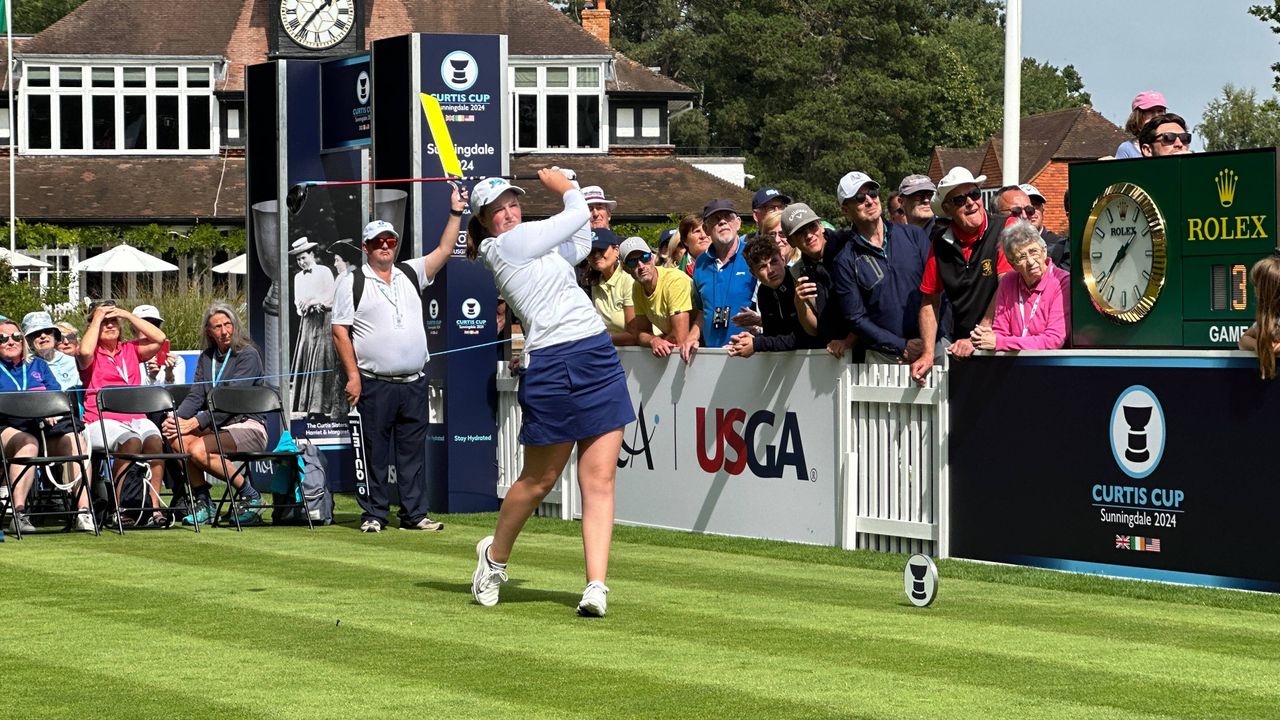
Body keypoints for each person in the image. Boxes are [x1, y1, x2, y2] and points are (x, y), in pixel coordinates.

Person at [464, 168, 634, 617]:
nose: (509, 213)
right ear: (483, 224)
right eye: (497, 211)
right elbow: (576, 213)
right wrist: (567, 186)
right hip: (553, 364)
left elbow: (578, 241)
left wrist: (573, 190)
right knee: (539, 482)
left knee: (598, 479)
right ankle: (495, 556)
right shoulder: (504, 247)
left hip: (596, 354)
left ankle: (596, 585)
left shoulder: (535, 244)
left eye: (513, 204)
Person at [332, 211, 458, 534]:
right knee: (374, 452)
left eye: (390, 241)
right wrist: (353, 376)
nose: (385, 246)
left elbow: (444, 250)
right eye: (378, 242)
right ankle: (374, 514)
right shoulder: (352, 282)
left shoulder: (410, 272)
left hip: (414, 381)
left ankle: (414, 515)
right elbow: (339, 331)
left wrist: (456, 212)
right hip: (375, 383)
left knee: (413, 453)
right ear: (366, 247)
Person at [162, 303, 268, 526]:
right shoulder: (207, 357)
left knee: (197, 448)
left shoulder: (247, 354)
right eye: (218, 326)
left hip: (248, 425)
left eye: (228, 324)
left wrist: (195, 422)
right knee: (176, 438)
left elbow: (231, 401)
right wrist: (176, 421)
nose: (224, 331)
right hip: (218, 426)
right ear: (209, 331)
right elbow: (195, 396)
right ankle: (204, 502)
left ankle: (251, 496)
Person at [909, 167, 1014, 386]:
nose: (970, 203)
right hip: (963, 349)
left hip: (1004, 347)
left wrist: (977, 336)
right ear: (947, 208)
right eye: (959, 199)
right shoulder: (939, 243)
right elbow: (930, 300)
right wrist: (928, 353)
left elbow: (1007, 285)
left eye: (975, 194)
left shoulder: (1006, 227)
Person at [78, 300, 170, 528]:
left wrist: (126, 314)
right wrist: (97, 317)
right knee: (130, 441)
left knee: (154, 441)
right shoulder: (90, 355)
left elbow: (160, 338)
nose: (110, 325)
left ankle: (153, 508)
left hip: (135, 417)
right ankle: (121, 509)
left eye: (113, 322)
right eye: (104, 323)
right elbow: (84, 350)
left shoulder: (130, 349)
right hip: (101, 419)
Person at [1, 317, 94, 533]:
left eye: (15, 337)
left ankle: (83, 512)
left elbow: (55, 397)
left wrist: (48, 409)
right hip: (8, 427)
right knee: (28, 443)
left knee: (75, 440)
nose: (10, 341)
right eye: (2, 338)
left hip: (43, 428)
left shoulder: (38, 365)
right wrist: (34, 407)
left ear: (22, 341)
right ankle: (19, 513)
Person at [830, 170, 933, 364]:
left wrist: (930, 342)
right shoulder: (845, 261)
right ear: (845, 209)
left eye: (873, 193)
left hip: (932, 347)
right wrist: (901, 345)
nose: (869, 200)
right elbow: (856, 318)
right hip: (886, 358)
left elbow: (938, 292)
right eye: (859, 198)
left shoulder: (914, 236)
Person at [970, 222, 1071, 351]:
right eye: (1021, 257)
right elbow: (1000, 331)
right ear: (1012, 264)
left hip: (1051, 366)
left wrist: (1000, 342)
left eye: (1033, 252)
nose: (1030, 261)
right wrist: (984, 337)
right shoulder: (1008, 282)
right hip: (1014, 365)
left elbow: (1053, 340)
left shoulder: (1062, 282)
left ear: (1044, 251)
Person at [727, 235, 825, 357]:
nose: (771, 270)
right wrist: (746, 342)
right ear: (753, 273)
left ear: (783, 260)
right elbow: (775, 335)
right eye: (762, 266)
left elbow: (805, 337)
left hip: (821, 358)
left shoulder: (800, 282)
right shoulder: (763, 292)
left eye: (774, 262)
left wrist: (757, 344)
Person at [781, 200, 853, 356]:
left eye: (812, 226)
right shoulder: (797, 271)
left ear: (820, 226)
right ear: (790, 241)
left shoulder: (848, 245)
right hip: (832, 353)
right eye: (800, 233)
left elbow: (872, 305)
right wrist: (800, 304)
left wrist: (848, 341)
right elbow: (814, 330)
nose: (808, 236)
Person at [619, 236, 698, 362]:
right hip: (686, 351)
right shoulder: (637, 287)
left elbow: (680, 338)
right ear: (625, 268)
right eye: (632, 261)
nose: (641, 265)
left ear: (653, 258)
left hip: (705, 347)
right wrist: (654, 340)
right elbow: (641, 333)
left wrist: (659, 342)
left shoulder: (674, 281)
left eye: (644, 258)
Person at [692, 199, 758, 349]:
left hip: (749, 353)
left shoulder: (754, 256)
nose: (722, 222)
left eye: (728, 217)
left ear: (738, 223)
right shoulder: (700, 263)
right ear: (706, 229)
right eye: (715, 219)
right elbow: (702, 310)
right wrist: (693, 336)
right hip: (712, 355)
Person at [290, 238, 343, 420]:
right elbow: (297, 301)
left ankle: (321, 406)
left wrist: (314, 301)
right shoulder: (298, 277)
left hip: (324, 320)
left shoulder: (324, 271)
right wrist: (303, 307)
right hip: (307, 321)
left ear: (312, 254)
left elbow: (330, 296)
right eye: (298, 260)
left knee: (322, 360)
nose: (301, 262)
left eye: (303, 258)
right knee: (306, 358)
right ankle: (305, 405)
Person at [584, 228, 637, 346]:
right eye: (591, 251)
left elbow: (634, 335)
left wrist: (599, 339)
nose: (596, 255)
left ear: (616, 250)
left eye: (601, 250)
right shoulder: (595, 283)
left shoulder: (628, 280)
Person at [1240, 253, 1280, 378]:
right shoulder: (1266, 320)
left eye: (1257, 286)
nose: (1254, 291)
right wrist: (1258, 345)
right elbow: (1243, 340)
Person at [22, 311, 80, 390]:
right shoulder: (26, 366)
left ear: (54, 336)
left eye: (47, 331)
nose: (43, 336)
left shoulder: (73, 362)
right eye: (36, 333)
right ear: (28, 341)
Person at [1019, 183, 1070, 271]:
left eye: (1036, 205)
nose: (1032, 211)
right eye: (1026, 207)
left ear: (1043, 209)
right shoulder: (1008, 249)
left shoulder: (1059, 247)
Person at [132, 305, 186, 386]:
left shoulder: (176, 360)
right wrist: (151, 377)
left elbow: (177, 394)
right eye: (143, 324)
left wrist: (169, 375)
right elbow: (131, 393)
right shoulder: (125, 359)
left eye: (155, 324)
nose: (149, 329)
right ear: (133, 329)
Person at [1116, 90, 1167, 159]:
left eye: (1160, 111)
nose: (1156, 115)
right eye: (1150, 111)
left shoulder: (1172, 144)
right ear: (1138, 116)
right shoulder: (1126, 149)